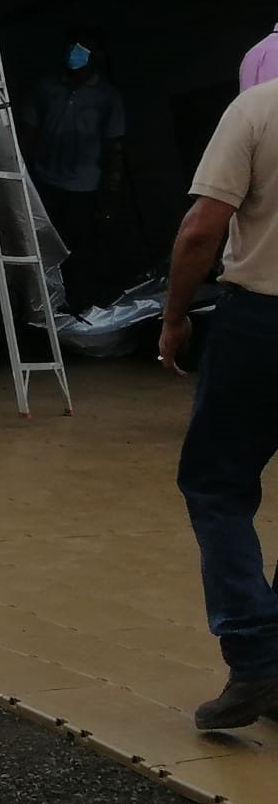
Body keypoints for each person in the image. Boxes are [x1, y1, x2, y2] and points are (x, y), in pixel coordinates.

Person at [159, 78, 278, 730]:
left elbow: (203, 227)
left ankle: (256, 657)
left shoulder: (259, 109)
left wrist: (174, 316)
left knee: (217, 486)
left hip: (261, 323)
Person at [21, 33, 126, 310]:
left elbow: (114, 145)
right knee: (42, 245)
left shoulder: (106, 96)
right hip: (45, 179)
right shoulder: (46, 88)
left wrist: (109, 195)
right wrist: (25, 173)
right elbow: (29, 131)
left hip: (85, 186)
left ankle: (77, 305)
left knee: (78, 249)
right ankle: (40, 305)